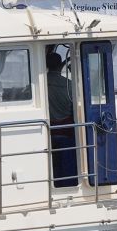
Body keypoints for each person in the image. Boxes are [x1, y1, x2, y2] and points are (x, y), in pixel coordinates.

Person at [46, 50, 78, 188]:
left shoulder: (41, 84)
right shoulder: (69, 85)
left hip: (48, 133)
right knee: (67, 165)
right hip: (66, 133)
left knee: (52, 165)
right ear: (60, 66)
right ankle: (67, 183)